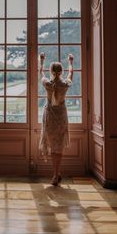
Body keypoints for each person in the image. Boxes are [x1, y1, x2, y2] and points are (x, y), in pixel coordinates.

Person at [39, 52, 74, 186]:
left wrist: (41, 60)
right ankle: (56, 174)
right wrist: (71, 62)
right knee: (58, 147)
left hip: (49, 116)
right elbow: (71, 74)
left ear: (51, 71)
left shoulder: (47, 83)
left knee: (52, 145)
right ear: (61, 71)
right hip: (61, 116)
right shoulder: (65, 84)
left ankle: (55, 174)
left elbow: (40, 73)